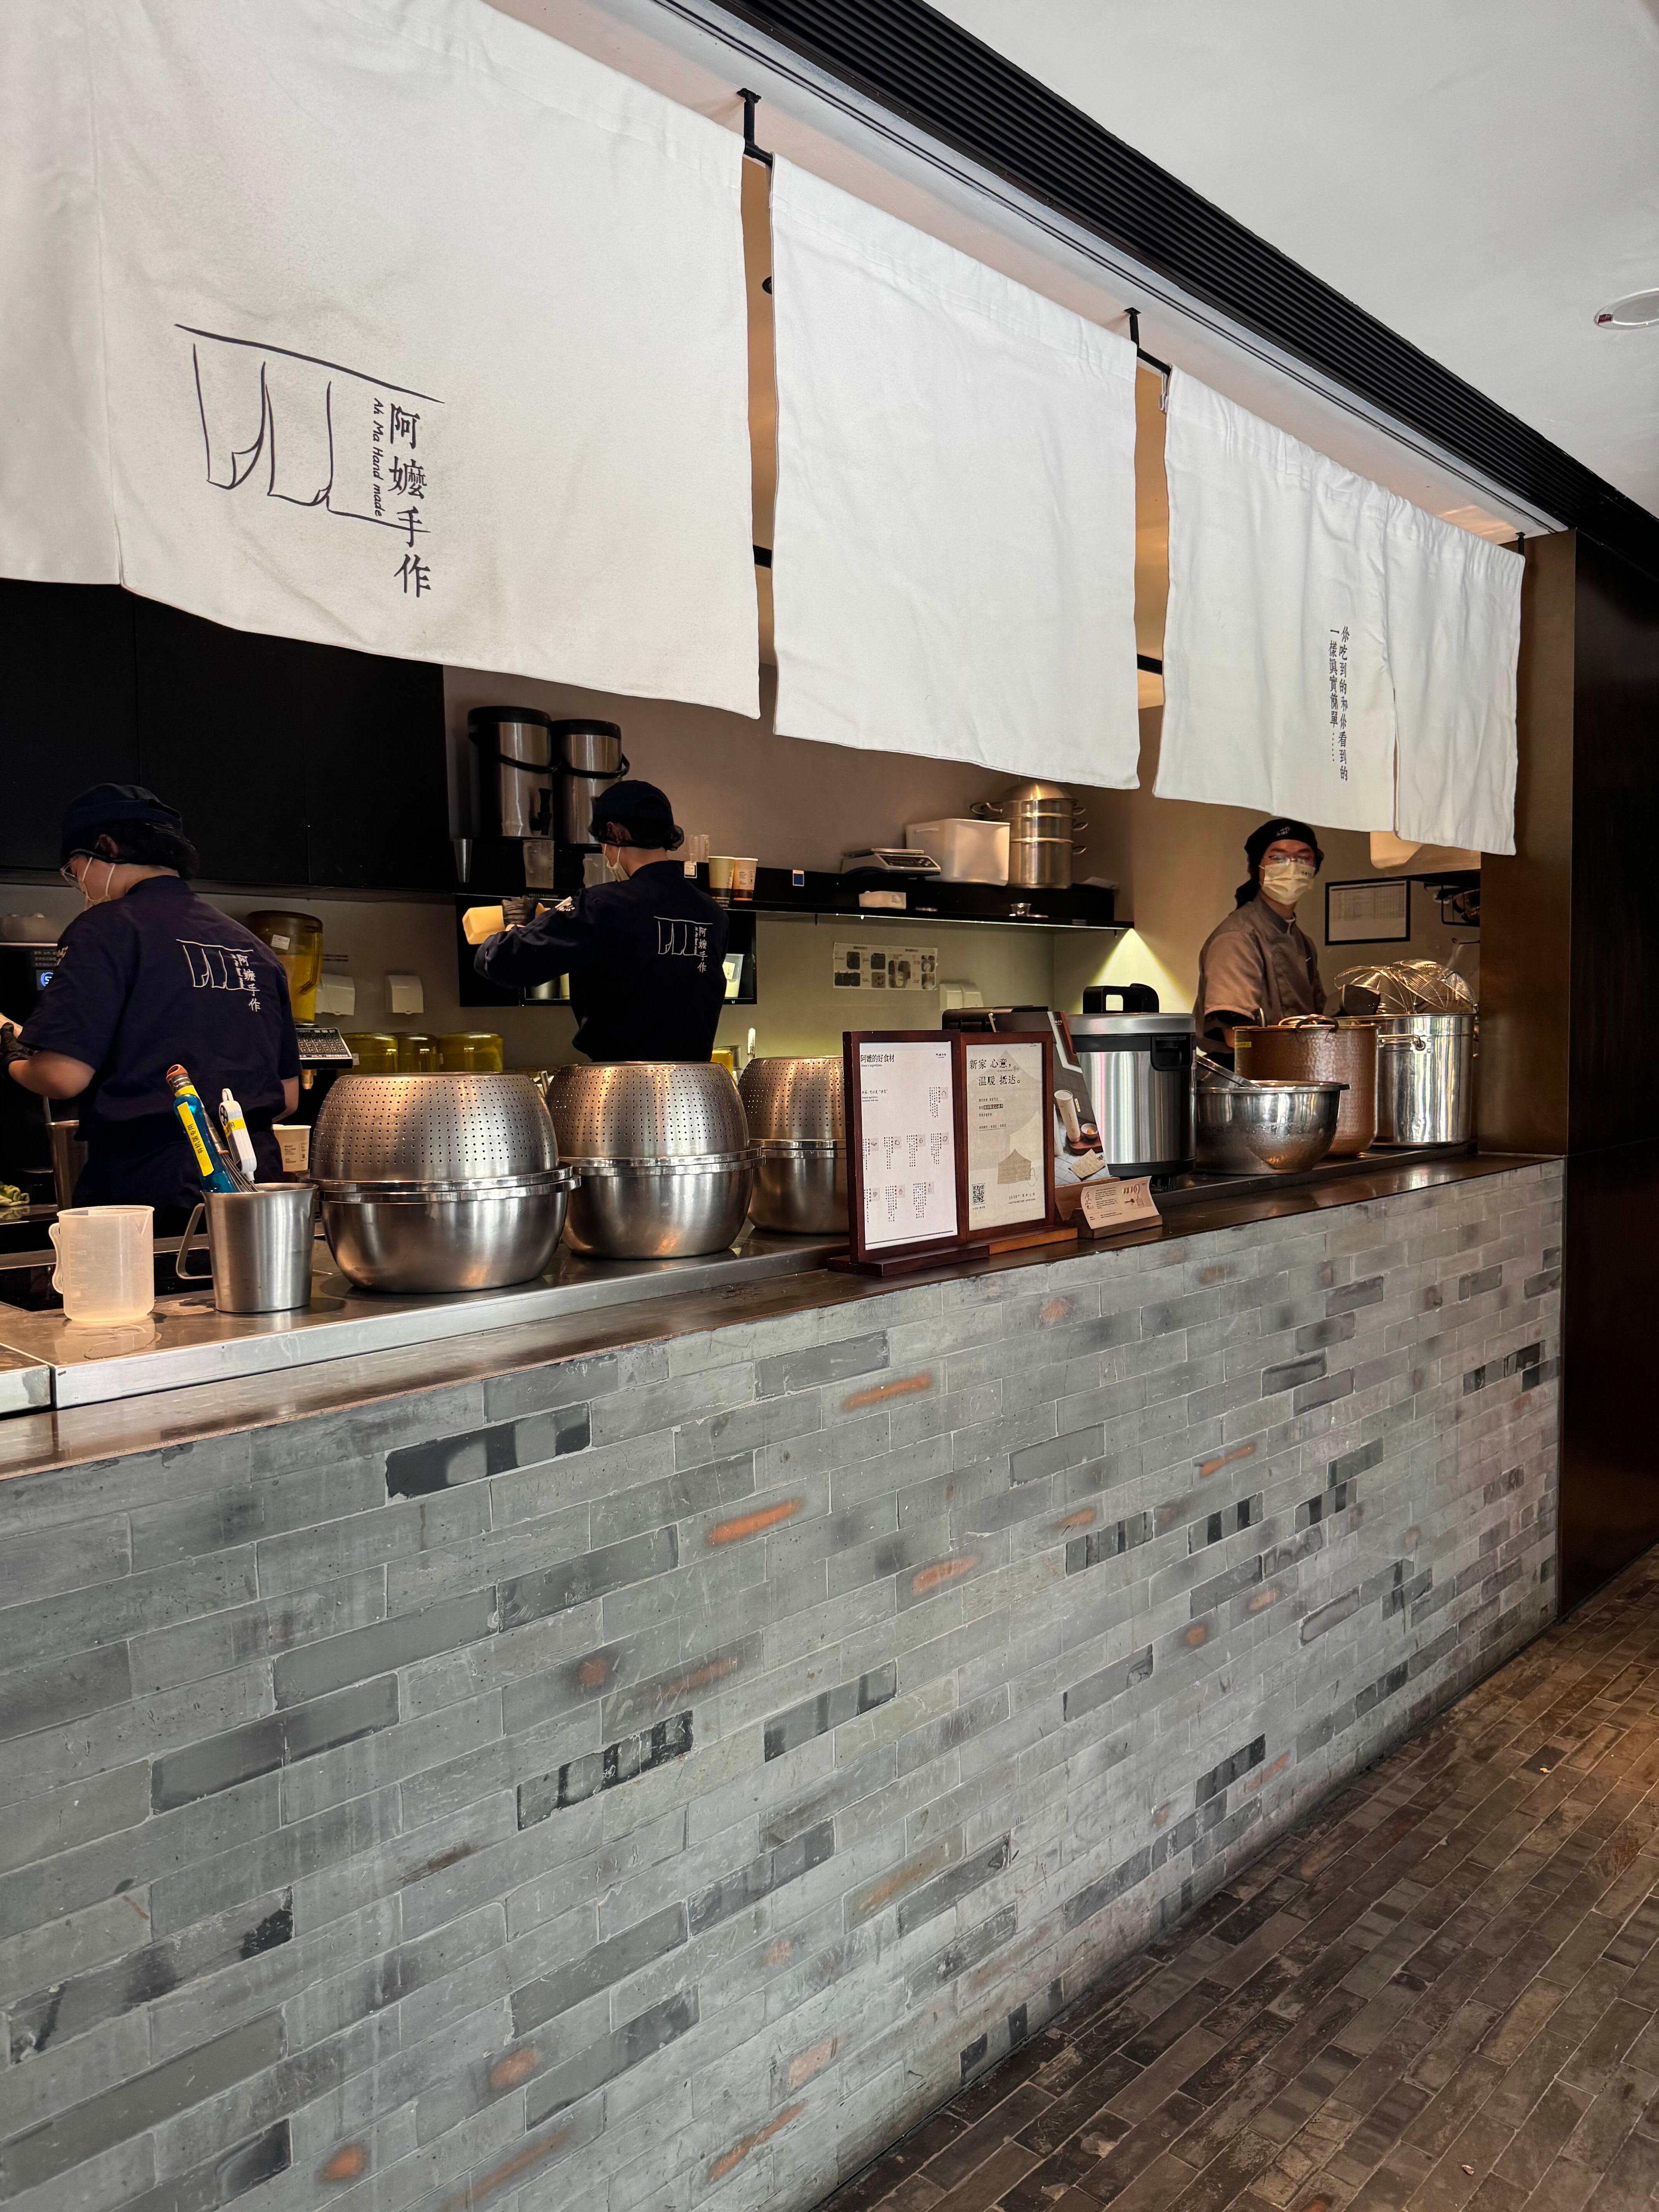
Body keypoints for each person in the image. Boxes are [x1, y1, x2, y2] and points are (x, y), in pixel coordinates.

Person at [1, 784, 299, 1222]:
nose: (78, 882)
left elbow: (61, 1077)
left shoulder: (104, 929)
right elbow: (287, 1097)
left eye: (74, 867)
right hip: (257, 1185)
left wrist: (10, 1049)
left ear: (106, 847)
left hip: (148, 1188)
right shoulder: (252, 947)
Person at [473, 779, 728, 1062]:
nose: (605, 853)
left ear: (613, 832)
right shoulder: (713, 914)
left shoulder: (601, 905)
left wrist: (513, 928)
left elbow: (506, 962)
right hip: (697, 1084)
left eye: (603, 843)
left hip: (621, 1082)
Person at [1195, 817, 1326, 1051]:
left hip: (1295, 1066)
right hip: (1244, 1071)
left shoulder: (1303, 943)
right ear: (1258, 867)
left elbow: (1320, 1022)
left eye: (1303, 858)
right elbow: (1238, 1038)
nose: (1292, 866)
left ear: (1314, 867)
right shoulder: (1237, 937)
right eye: (1278, 857)